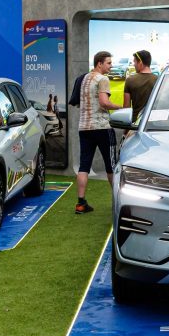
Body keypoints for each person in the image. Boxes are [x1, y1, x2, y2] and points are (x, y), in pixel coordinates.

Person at [74, 51, 121, 214]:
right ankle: (119, 202)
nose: (111, 65)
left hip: (84, 127)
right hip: (101, 127)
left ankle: (80, 203)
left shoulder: (85, 78)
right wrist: (121, 107)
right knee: (111, 166)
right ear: (99, 64)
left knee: (84, 166)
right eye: (108, 63)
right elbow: (104, 103)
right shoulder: (103, 79)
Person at [122, 50, 158, 117]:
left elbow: (126, 107)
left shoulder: (130, 80)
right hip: (153, 121)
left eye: (134, 62)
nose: (134, 64)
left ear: (140, 62)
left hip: (136, 123)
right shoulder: (158, 80)